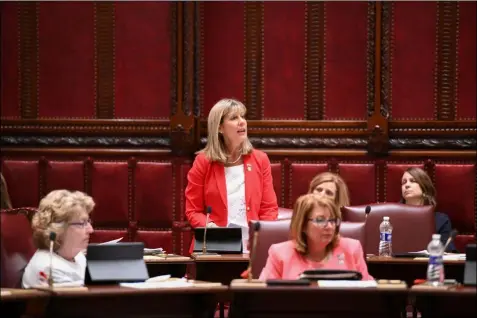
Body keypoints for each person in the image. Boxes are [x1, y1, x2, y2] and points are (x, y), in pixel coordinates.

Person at [185, 98, 278, 253]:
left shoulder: (260, 160)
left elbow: (269, 208)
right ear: (220, 127)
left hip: (252, 248)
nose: (242, 122)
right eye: (234, 118)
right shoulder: (203, 162)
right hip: (215, 247)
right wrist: (213, 229)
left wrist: (260, 240)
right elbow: (193, 211)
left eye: (243, 117)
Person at [259, 193, 373, 280]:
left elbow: (369, 294)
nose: (329, 226)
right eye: (320, 220)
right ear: (302, 225)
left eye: (333, 220)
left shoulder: (352, 249)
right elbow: (263, 298)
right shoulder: (280, 254)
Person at [22, 190, 95, 288]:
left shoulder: (77, 256)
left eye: (88, 221)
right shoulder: (48, 268)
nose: (91, 230)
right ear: (59, 229)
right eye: (82, 223)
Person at [400, 167, 456, 252]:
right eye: (403, 182)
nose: (406, 185)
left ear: (424, 187)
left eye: (413, 181)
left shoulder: (441, 220)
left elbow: (447, 252)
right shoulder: (392, 218)